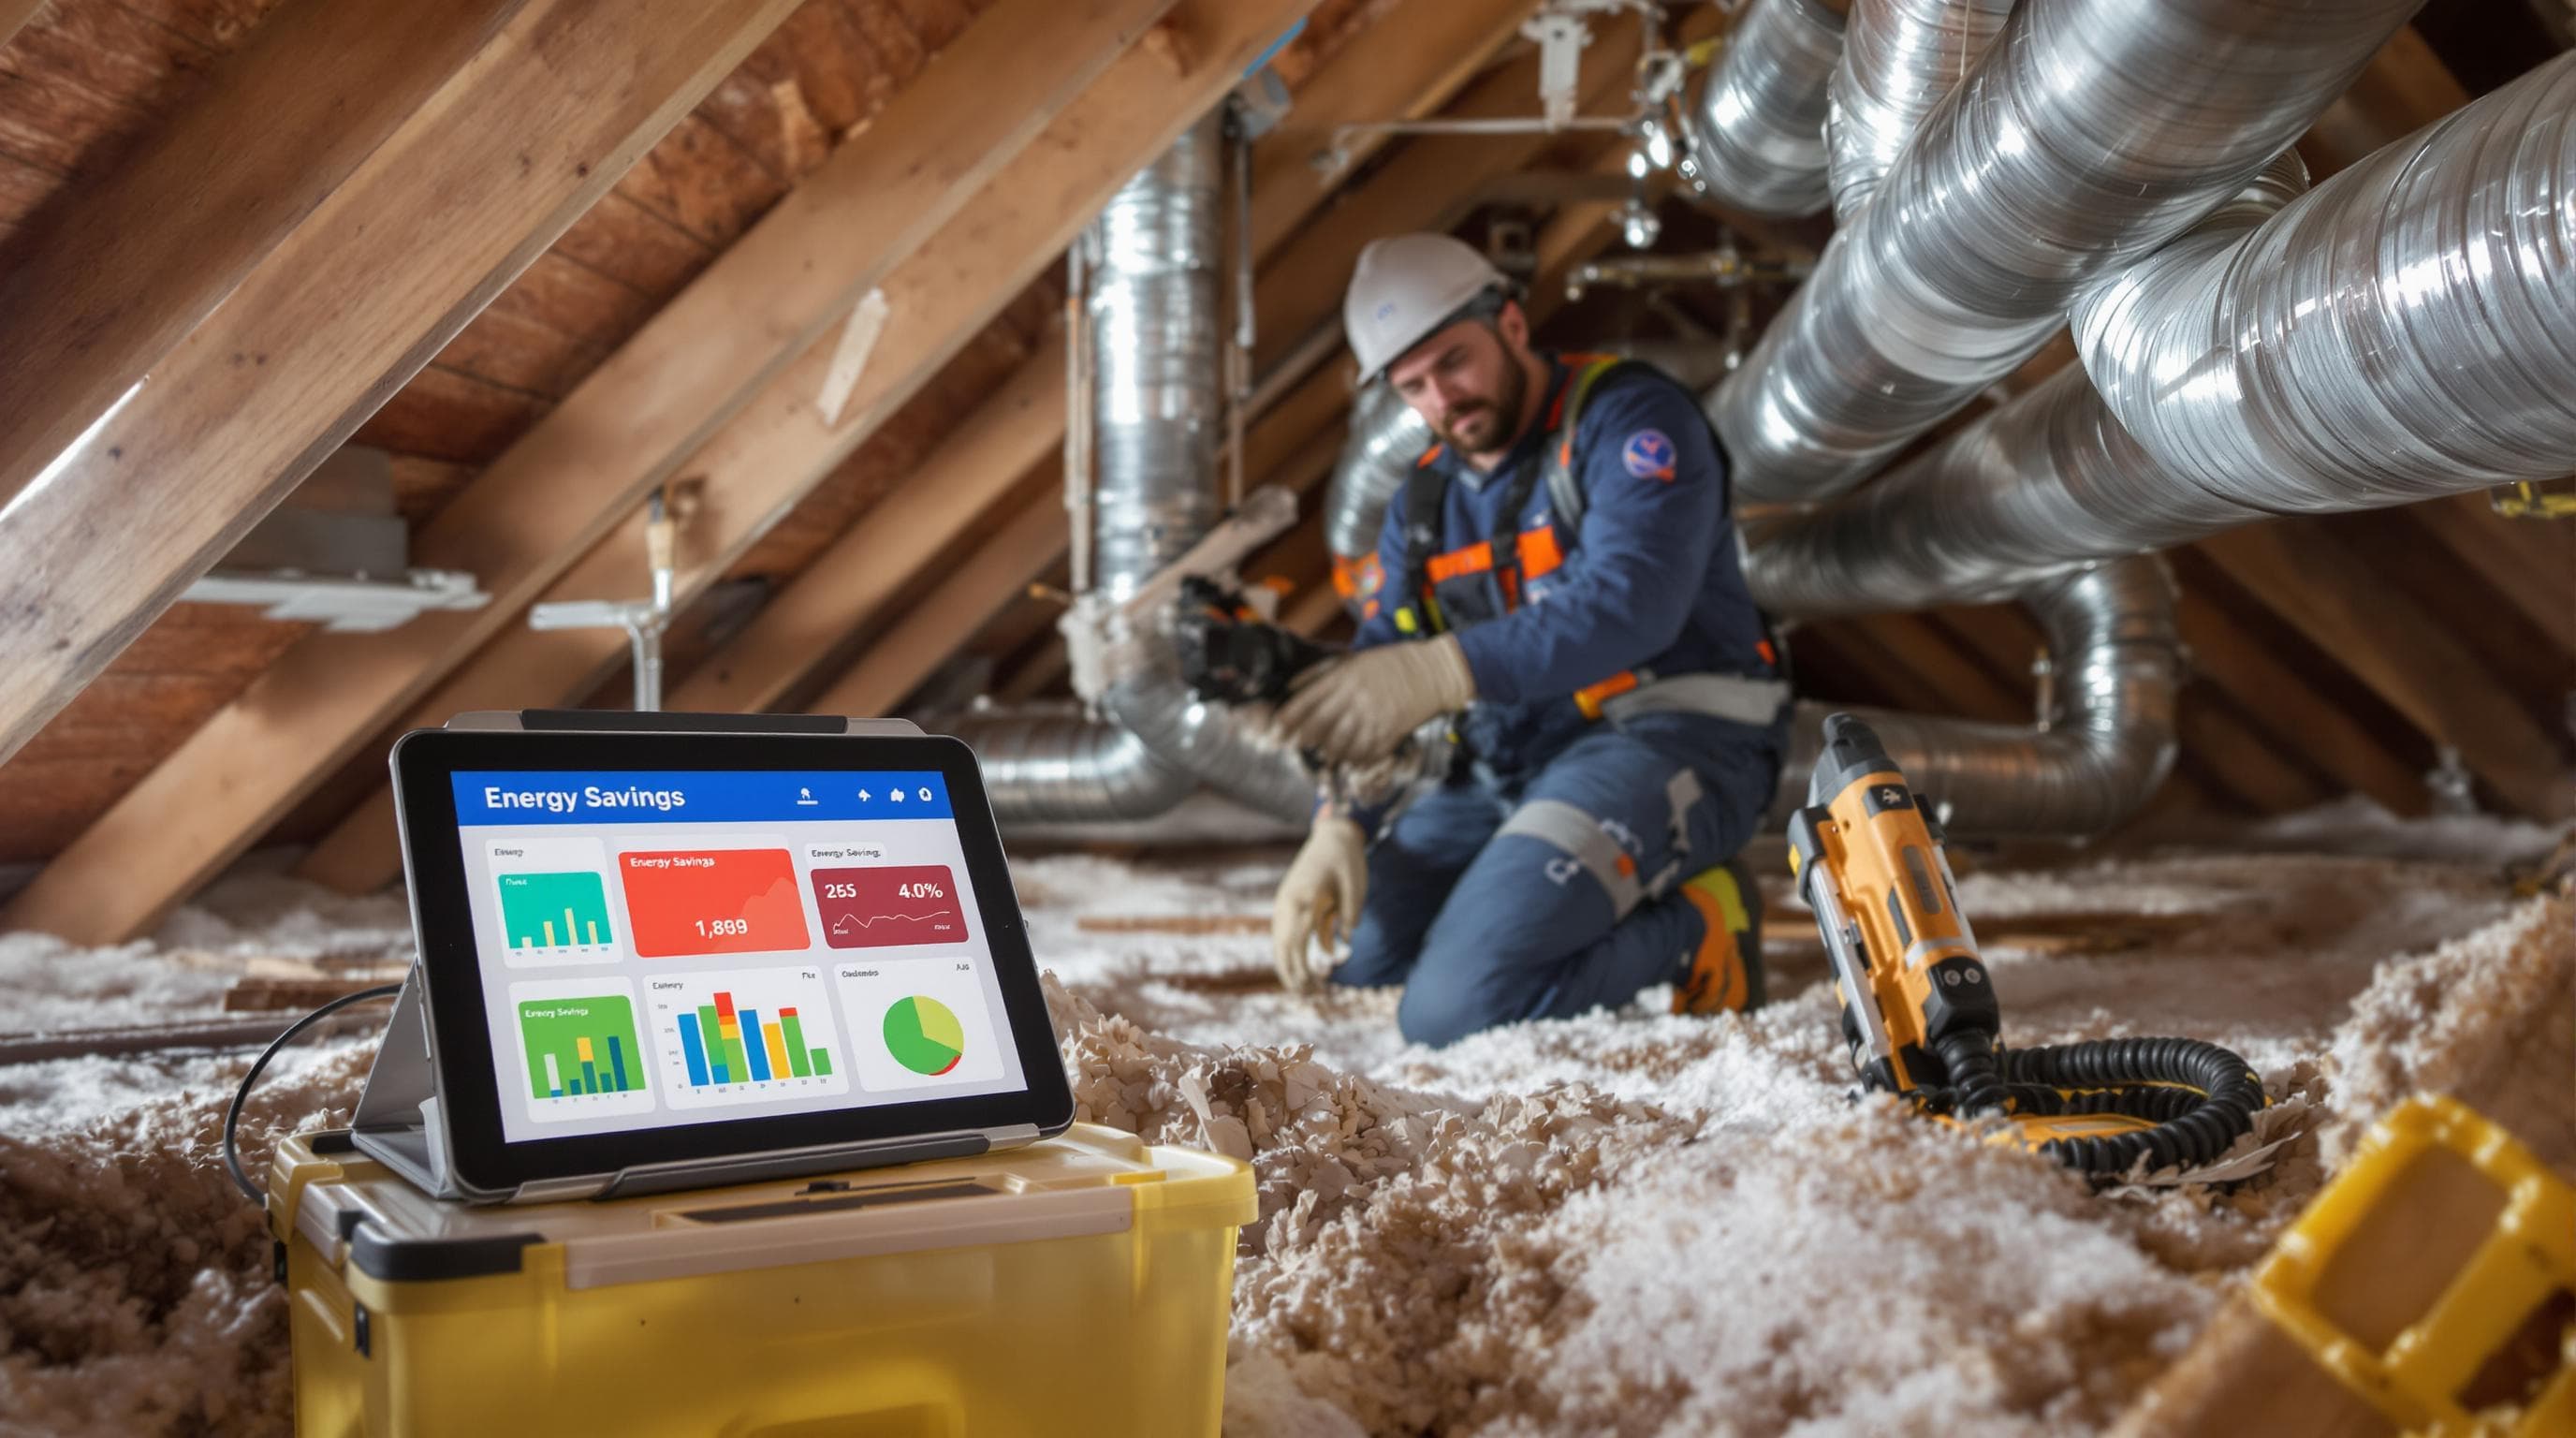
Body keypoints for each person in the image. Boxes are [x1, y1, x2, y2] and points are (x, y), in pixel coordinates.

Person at [1269, 231, 1789, 1048]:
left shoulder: (1628, 420)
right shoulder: (1423, 503)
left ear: (1510, 324)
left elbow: (1633, 603)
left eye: (1454, 362)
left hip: (1669, 736)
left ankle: (1704, 915)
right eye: (1413, 387)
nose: (1442, 398)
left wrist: (1444, 668)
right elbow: (1379, 670)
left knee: (1455, 1010)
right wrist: (1339, 820)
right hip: (1513, 761)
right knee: (1370, 964)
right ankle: (1569, 891)